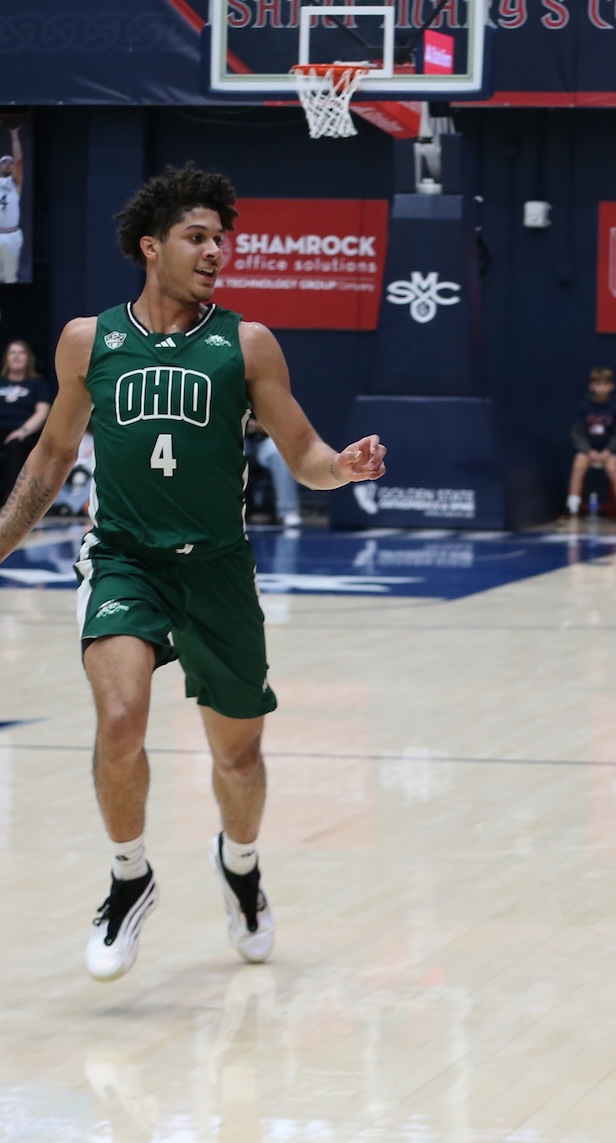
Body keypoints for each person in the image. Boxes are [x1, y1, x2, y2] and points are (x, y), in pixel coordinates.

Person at [0, 163, 386, 982]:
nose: (216, 251)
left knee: (238, 759)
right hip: (124, 559)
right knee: (118, 717)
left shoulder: (246, 344)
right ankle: (129, 876)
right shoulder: (87, 340)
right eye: (197, 237)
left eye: (222, 238)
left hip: (216, 566)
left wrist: (341, 468)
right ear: (152, 246)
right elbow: (52, 459)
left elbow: (306, 454)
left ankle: (240, 867)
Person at [563, 366, 616, 523]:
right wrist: (588, 451)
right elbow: (578, 432)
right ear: (591, 386)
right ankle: (571, 508)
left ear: (611, 386)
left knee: (613, 468)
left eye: (605, 384)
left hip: (608, 451)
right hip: (589, 450)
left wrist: (609, 450)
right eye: (598, 384)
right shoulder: (584, 407)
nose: (601, 388)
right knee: (578, 464)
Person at [1, 339, 53, 499]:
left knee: (15, 445)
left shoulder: (37, 384)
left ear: (28, 358)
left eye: (21, 352)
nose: (17, 356)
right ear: (6, 358)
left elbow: (42, 412)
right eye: (13, 352)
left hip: (24, 433)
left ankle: (12, 499)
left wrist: (22, 431)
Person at [243, 414, 301, 528]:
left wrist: (255, 427)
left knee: (279, 452)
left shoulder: (269, 396)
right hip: (236, 440)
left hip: (265, 441)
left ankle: (288, 511)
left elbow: (285, 427)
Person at [0, 123, 23, 283]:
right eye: (4, 162)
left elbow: (19, 160)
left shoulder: (16, 184)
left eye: (10, 162)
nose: (8, 164)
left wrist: (14, 135)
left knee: (9, 277)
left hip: (12, 234)